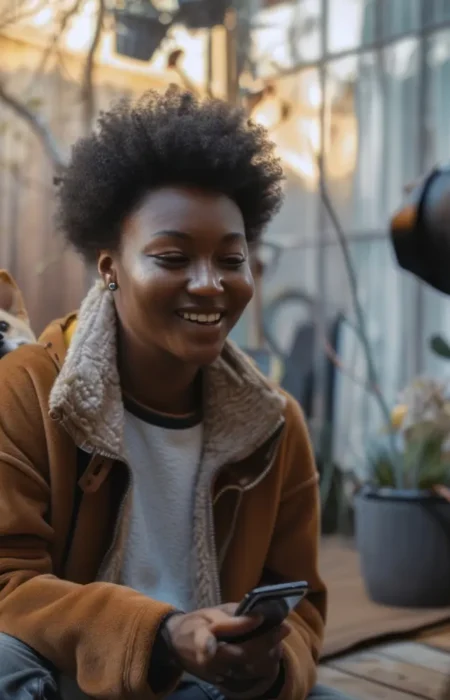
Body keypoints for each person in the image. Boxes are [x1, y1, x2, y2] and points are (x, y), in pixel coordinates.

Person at [0, 87, 354, 700]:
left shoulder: (274, 426)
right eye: (172, 257)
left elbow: (301, 610)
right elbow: (9, 586)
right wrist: (162, 634)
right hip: (73, 679)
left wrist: (268, 663)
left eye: (231, 258)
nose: (210, 285)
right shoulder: (29, 392)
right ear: (110, 267)